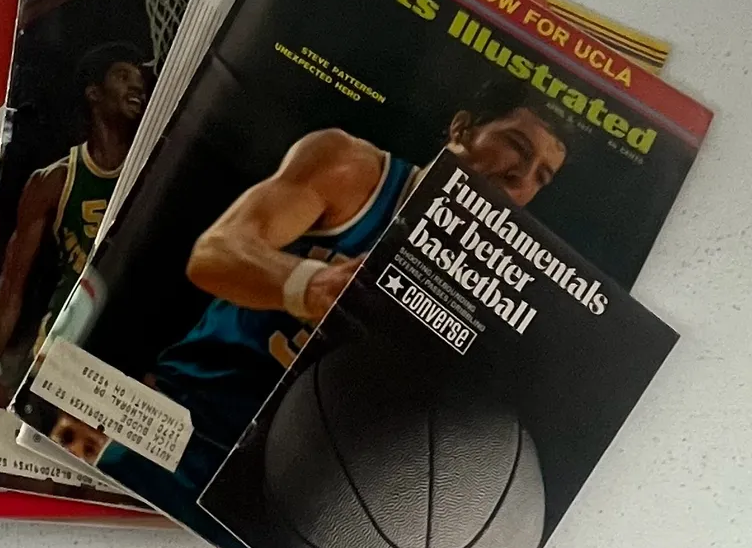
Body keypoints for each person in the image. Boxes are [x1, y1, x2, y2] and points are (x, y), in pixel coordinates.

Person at [48, 82, 571, 483]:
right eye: (515, 148)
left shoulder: (490, 289)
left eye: (541, 177)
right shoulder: (354, 170)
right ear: (462, 129)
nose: (521, 179)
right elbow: (214, 253)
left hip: (280, 494)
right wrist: (308, 283)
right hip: (181, 423)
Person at [0, 42, 152, 413]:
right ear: (94, 94)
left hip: (135, 345)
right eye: (122, 76)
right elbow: (11, 285)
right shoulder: (55, 180)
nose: (136, 86)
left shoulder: (156, 165)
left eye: (139, 80)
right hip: (64, 348)